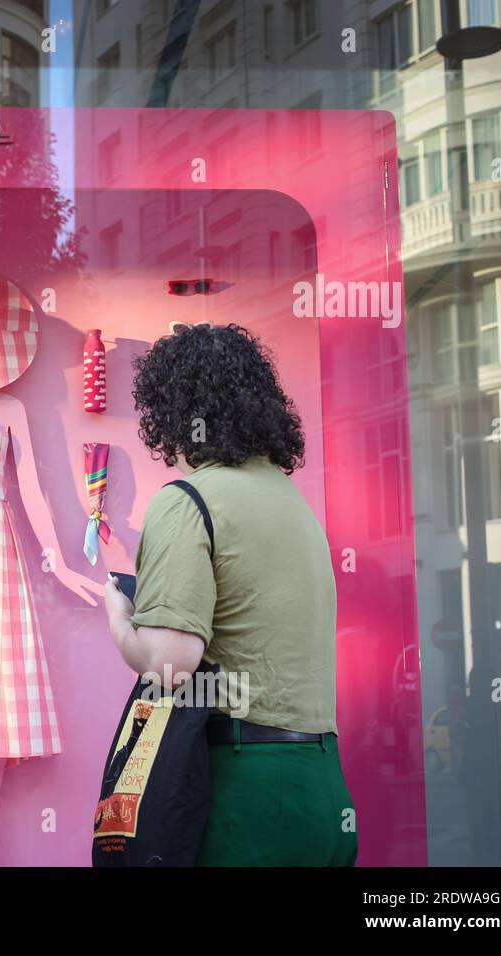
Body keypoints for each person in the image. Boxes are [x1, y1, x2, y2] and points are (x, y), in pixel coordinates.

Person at [103, 323, 357, 866]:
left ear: (170, 414)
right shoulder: (295, 505)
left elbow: (172, 664)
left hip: (240, 789)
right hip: (322, 783)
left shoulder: (189, 498)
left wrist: (121, 621)